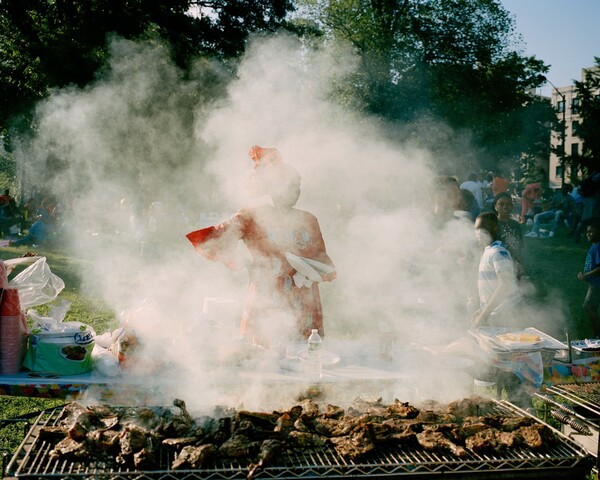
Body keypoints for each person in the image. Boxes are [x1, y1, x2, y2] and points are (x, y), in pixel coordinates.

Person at [186, 146, 336, 346]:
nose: (297, 191)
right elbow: (212, 242)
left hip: (304, 300)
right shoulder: (251, 217)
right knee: (262, 356)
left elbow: (322, 260)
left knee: (305, 356)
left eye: (298, 185)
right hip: (267, 297)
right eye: (290, 185)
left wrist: (313, 273)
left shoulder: (308, 220)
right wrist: (243, 261)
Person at [472, 212, 522, 328]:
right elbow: (491, 287)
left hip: (507, 313)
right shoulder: (488, 251)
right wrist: (482, 310)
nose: (479, 232)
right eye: (477, 228)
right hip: (497, 312)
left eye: (484, 228)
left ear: (495, 228)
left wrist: (484, 315)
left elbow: (505, 284)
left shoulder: (498, 252)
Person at [577, 220, 600, 338]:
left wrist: (585, 275)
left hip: (597, 284)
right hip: (594, 283)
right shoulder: (594, 246)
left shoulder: (598, 246)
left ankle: (597, 334)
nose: (588, 234)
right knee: (591, 306)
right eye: (587, 232)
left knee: (588, 306)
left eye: (591, 232)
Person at [493, 193, 523, 279]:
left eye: (508, 204)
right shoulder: (492, 224)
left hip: (514, 262)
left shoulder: (515, 225)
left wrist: (519, 264)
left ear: (512, 207)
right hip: (498, 263)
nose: (505, 207)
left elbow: (519, 247)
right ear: (496, 207)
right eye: (501, 204)